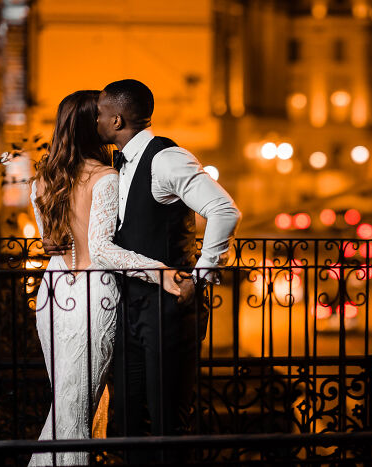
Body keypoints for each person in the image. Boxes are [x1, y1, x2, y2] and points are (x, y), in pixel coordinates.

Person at [29, 90, 182, 466]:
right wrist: (159, 271)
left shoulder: (42, 179)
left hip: (53, 294)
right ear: (89, 126)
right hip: (92, 296)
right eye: (98, 116)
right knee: (76, 410)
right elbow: (99, 250)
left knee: (66, 403)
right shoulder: (106, 177)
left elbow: (51, 242)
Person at [97, 79, 240, 462]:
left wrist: (201, 276)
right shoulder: (116, 164)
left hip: (168, 306)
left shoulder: (167, 158)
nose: (94, 120)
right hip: (128, 306)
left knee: (167, 423)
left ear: (116, 119)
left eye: (98, 113)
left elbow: (224, 210)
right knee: (126, 419)